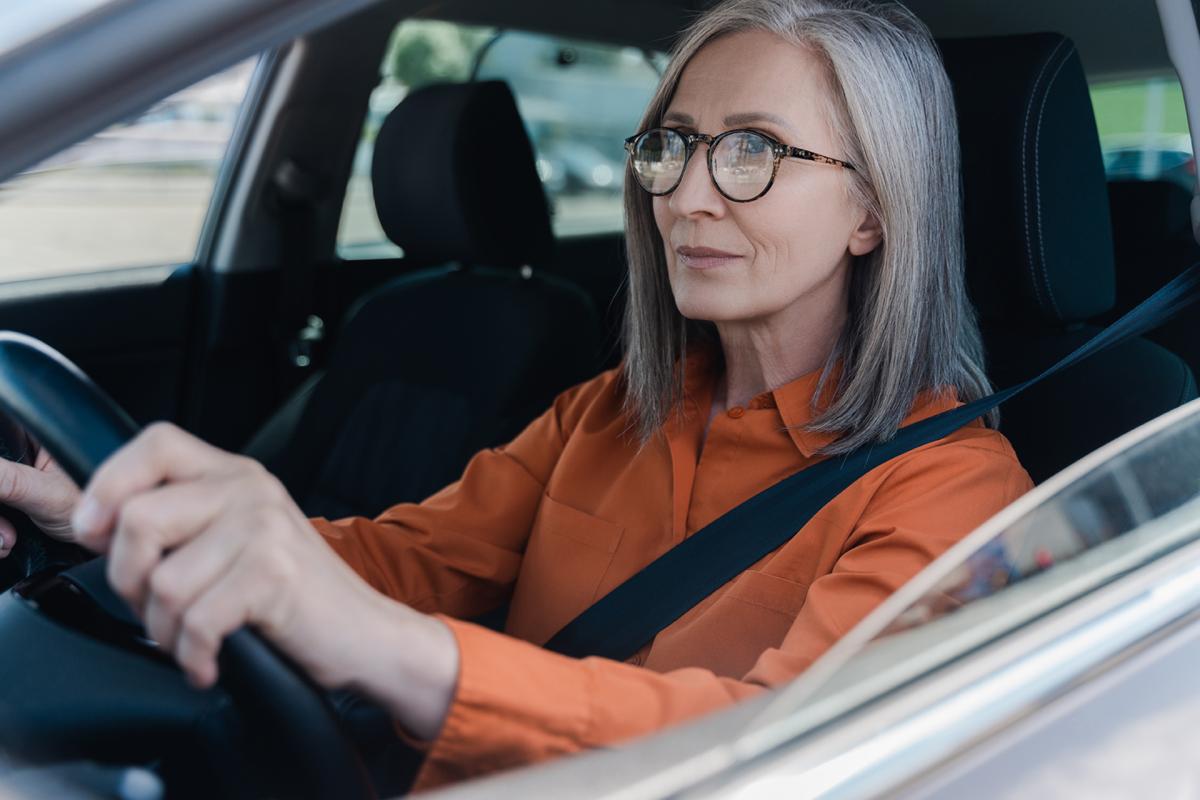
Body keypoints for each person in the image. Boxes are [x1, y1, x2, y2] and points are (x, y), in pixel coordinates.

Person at [0, 0, 1033, 791]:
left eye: (754, 151)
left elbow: (782, 745)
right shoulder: (607, 410)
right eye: (671, 145)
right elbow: (412, 560)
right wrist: (107, 516)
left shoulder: (949, 490)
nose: (685, 193)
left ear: (873, 209)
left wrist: (394, 650)